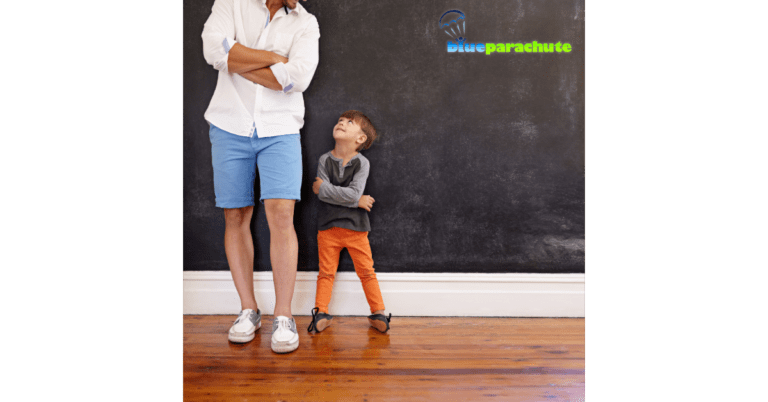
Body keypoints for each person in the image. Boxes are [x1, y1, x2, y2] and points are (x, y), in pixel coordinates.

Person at [201, 0, 319, 354]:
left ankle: (283, 316)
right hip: (228, 125)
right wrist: (274, 59)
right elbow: (213, 50)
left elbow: (297, 79)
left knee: (282, 214)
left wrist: (238, 58)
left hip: (281, 130)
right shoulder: (230, 3)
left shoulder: (306, 23)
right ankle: (248, 310)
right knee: (235, 215)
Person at [307, 111, 392, 334]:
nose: (341, 123)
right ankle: (321, 312)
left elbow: (326, 189)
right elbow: (322, 194)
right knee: (326, 272)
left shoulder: (362, 163)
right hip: (327, 228)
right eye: (340, 121)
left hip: (357, 229)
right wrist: (356, 201)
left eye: (349, 122)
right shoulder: (325, 160)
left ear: (361, 138)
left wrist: (326, 189)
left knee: (366, 271)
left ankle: (379, 312)